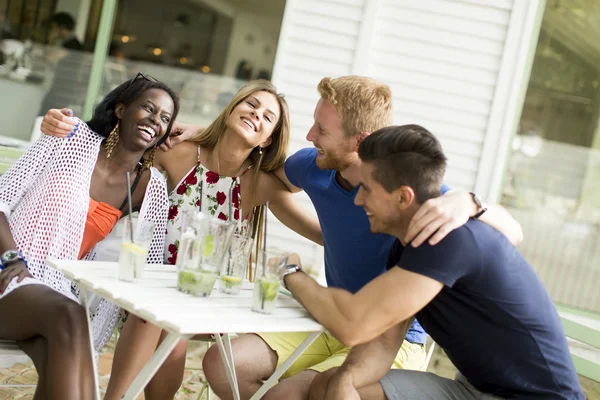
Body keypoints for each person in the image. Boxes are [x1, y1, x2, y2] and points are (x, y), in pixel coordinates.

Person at [150, 75, 524, 400]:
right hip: (329, 321)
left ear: (359, 142)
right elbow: (257, 159)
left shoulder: (406, 192)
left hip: (389, 339)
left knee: (288, 394)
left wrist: (471, 202)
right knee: (222, 363)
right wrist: (204, 133)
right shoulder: (313, 165)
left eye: (322, 131)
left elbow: (513, 232)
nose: (310, 137)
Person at [40, 79, 322, 399]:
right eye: (251, 105)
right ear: (232, 108)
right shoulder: (180, 153)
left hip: (206, 303)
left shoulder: (258, 184)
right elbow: (116, 144)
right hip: (149, 288)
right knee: (160, 325)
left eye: (267, 117)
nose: (256, 115)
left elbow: (321, 232)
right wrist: (65, 126)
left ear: (267, 139)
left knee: (163, 327)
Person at [283, 124, 584, 400]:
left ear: (403, 198)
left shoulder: (450, 241)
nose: (358, 200)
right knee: (328, 386)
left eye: (367, 190)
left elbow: (352, 324)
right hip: (474, 388)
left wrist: (290, 272)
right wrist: (345, 379)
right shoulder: (404, 250)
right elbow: (385, 341)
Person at [0, 72, 178, 400]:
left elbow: (149, 262)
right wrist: (12, 262)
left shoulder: (148, 187)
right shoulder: (69, 138)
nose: (155, 120)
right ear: (121, 109)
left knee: (60, 348)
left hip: (49, 296)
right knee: (71, 317)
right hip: (7, 273)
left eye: (165, 118)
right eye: (148, 109)